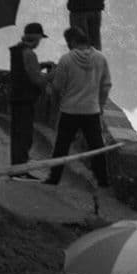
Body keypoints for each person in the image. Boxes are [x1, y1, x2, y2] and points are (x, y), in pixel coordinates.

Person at [42, 26, 112, 189]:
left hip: (69, 110)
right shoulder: (100, 59)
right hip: (91, 110)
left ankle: (54, 178)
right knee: (96, 146)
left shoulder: (66, 60)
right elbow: (106, 85)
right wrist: (100, 105)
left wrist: (53, 94)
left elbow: (58, 86)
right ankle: (103, 180)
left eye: (68, 42)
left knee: (61, 145)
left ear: (72, 41)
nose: (67, 45)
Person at [7, 21, 50, 177]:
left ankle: (18, 169)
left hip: (16, 97)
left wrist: (42, 65)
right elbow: (37, 80)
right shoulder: (30, 54)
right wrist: (53, 74)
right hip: (25, 100)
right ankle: (20, 172)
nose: (40, 42)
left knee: (18, 135)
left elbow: (26, 69)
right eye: (40, 39)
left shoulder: (17, 50)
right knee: (24, 137)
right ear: (36, 38)